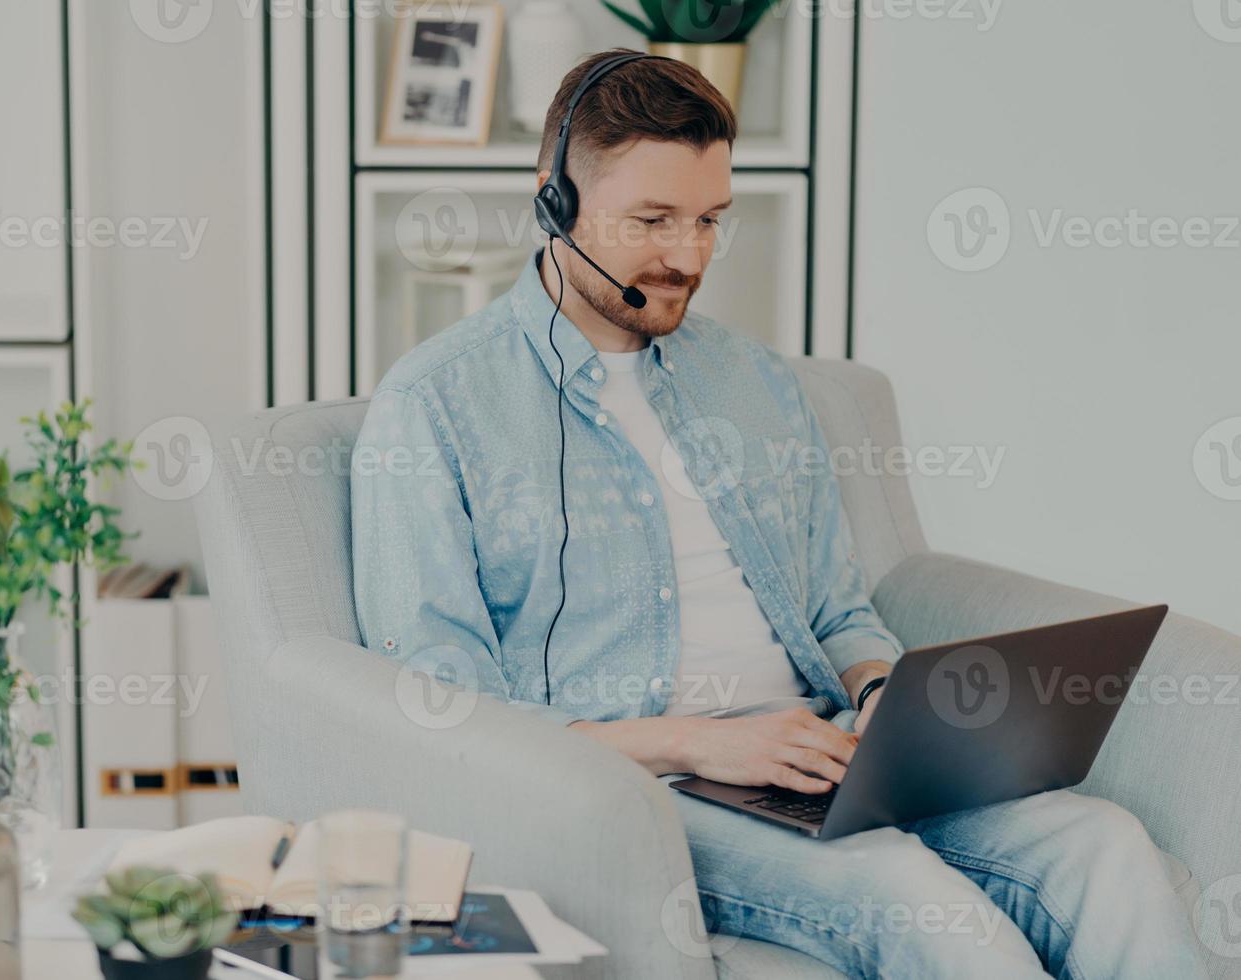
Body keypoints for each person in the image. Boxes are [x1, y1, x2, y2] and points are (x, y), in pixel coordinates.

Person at [349, 48, 1203, 977]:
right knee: (919, 906)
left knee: (1106, 849)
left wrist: (881, 697)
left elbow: (837, 610)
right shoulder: (436, 406)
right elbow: (446, 719)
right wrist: (703, 741)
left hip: (822, 756)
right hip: (646, 789)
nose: (688, 256)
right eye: (653, 220)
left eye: (712, 219)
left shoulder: (753, 381)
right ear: (554, 200)